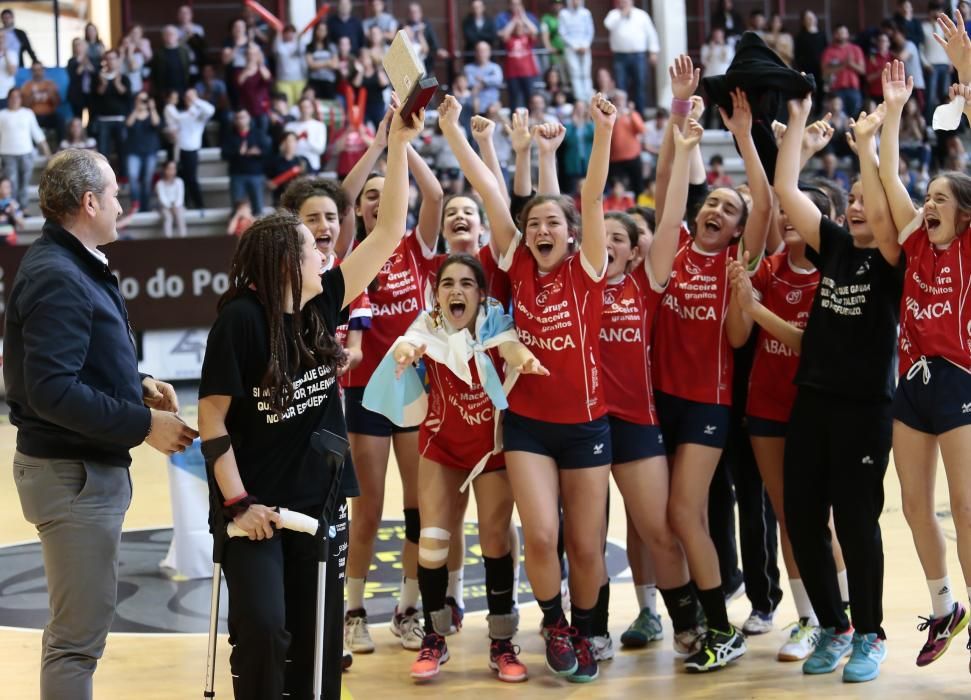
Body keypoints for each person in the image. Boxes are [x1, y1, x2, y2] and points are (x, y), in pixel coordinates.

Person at [198, 101, 420, 700]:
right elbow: (212, 417)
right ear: (281, 264)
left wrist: (397, 144)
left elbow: (390, 230)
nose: (325, 249)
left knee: (319, 642)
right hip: (253, 506)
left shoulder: (327, 302)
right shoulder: (240, 322)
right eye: (310, 246)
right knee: (267, 629)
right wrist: (238, 503)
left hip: (319, 499)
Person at [7, 148, 197, 700]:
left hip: (81, 470)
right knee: (75, 642)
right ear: (89, 202)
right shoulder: (58, 275)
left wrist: (135, 383)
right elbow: (50, 391)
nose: (121, 203)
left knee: (79, 635)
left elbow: (75, 361)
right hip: (72, 474)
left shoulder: (70, 263)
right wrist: (143, 424)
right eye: (114, 193)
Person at [439, 90, 616, 683]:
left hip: (587, 425)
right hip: (528, 426)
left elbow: (591, 198)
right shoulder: (516, 266)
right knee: (540, 535)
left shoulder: (587, 268)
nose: (542, 229)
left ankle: (590, 627)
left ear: (569, 234)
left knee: (587, 547)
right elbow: (489, 191)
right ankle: (555, 621)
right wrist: (455, 130)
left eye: (552, 223)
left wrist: (603, 132)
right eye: (534, 222)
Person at [363, 254, 543, 682]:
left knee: (495, 540)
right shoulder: (429, 325)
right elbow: (407, 342)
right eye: (447, 284)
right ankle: (435, 638)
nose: (456, 291)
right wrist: (404, 354)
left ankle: (501, 642)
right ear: (437, 292)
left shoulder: (495, 321)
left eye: (466, 283)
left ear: (481, 294)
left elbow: (512, 345)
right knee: (432, 540)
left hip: (491, 451)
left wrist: (523, 360)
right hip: (441, 445)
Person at [775, 84, 902, 682]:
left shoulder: (896, 259)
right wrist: (797, 119)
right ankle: (834, 625)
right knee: (801, 519)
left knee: (856, 522)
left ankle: (871, 633)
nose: (854, 208)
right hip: (814, 401)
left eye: (861, 199)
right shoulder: (836, 248)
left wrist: (868, 149)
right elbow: (785, 192)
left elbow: (883, 210)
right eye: (847, 199)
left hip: (866, 409)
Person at [650, 56, 771, 672]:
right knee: (663, 518)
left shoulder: (734, 270)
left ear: (739, 231)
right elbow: (671, 178)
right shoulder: (669, 248)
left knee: (682, 512)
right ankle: (692, 618)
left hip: (707, 405)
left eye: (730, 210)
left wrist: (746, 141)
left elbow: (767, 210)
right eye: (714, 203)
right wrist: (679, 111)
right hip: (656, 403)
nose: (717, 210)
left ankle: (720, 624)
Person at [341, 101, 446, 655]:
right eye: (370, 195)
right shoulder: (348, 254)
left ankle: (409, 607)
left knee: (418, 505)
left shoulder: (414, 248)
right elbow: (339, 196)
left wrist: (406, 142)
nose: (379, 199)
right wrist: (379, 144)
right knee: (370, 505)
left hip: (413, 387)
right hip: (364, 392)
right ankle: (352, 610)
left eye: (387, 192)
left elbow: (433, 197)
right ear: (358, 209)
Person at [878, 59, 971, 671]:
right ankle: (944, 608)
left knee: (965, 506)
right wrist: (889, 116)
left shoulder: (967, 244)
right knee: (915, 505)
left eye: (940, 198)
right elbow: (890, 178)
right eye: (927, 197)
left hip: (960, 380)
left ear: (964, 213)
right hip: (910, 385)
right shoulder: (916, 243)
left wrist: (966, 70)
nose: (928, 203)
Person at [0, 88, 50, 215]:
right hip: (8, 153)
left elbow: (37, 133)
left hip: (26, 153)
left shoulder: (28, 113)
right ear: (8, 99)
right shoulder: (2, 114)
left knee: (24, 182)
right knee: (12, 183)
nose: (14, 99)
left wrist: (47, 153)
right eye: (12, 97)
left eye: (17, 97)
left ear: (21, 99)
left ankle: (24, 208)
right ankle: (13, 210)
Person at [603, 0, 659, 113]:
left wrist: (653, 51)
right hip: (620, 57)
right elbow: (608, 25)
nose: (624, 2)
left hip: (638, 56)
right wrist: (621, 15)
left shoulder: (641, 15)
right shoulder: (614, 14)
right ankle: (621, 115)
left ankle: (639, 115)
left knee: (640, 85)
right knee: (620, 88)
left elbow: (651, 34)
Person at [165, 88, 215, 209]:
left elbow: (210, 110)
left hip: (191, 150)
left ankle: (199, 205)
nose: (189, 99)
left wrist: (195, 100)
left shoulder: (199, 115)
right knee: (180, 179)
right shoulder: (181, 114)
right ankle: (183, 204)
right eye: (187, 97)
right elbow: (172, 127)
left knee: (191, 179)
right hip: (178, 150)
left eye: (191, 96)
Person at [91, 49, 132, 178]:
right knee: (103, 153)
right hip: (103, 120)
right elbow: (94, 98)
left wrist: (117, 83)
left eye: (113, 58)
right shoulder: (98, 77)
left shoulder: (124, 77)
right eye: (107, 58)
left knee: (123, 151)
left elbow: (128, 96)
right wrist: (103, 84)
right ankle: (104, 179)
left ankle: (124, 178)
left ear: (118, 61)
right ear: (104, 61)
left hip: (120, 120)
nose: (110, 61)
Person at [222, 109, 269, 214]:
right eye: (238, 118)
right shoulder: (229, 136)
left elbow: (267, 151)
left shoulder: (258, 134)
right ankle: (238, 229)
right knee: (237, 207)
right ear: (234, 120)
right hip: (237, 175)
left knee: (258, 207)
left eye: (243, 117)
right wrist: (238, 152)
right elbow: (224, 155)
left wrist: (258, 152)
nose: (240, 120)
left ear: (249, 119)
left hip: (256, 174)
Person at [124, 91, 161, 212]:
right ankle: (135, 205)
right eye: (140, 99)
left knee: (147, 180)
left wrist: (152, 108)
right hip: (133, 151)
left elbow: (157, 123)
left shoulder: (152, 113)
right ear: (135, 100)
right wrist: (136, 109)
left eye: (145, 100)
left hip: (150, 152)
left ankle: (145, 207)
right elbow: (128, 124)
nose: (142, 102)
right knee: (133, 178)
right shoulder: (131, 112)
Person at [822, 25, 865, 120]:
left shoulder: (855, 49)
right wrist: (843, 65)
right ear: (835, 35)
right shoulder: (829, 51)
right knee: (839, 117)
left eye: (844, 32)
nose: (841, 35)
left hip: (853, 89)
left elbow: (862, 70)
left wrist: (851, 64)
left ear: (848, 34)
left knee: (855, 116)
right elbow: (825, 71)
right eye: (839, 33)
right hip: (837, 90)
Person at [558, 0, 594, 103]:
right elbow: (562, 33)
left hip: (585, 47)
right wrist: (575, 46)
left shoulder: (586, 13)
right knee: (575, 72)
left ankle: (589, 98)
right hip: (571, 48)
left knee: (586, 72)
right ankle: (580, 98)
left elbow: (590, 31)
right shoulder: (563, 14)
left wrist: (585, 45)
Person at [22, 61, 64, 142]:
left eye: (39, 69)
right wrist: (31, 97)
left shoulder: (51, 84)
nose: (37, 72)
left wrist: (51, 94)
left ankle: (61, 146)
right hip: (33, 117)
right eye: (35, 70)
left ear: (43, 71)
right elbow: (23, 106)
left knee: (60, 119)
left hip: (49, 115)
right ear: (31, 72)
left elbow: (58, 103)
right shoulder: (26, 86)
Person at [285, 97, 327, 173]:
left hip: (312, 166)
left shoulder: (319, 126)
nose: (305, 110)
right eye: (302, 107)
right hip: (292, 166)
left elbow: (321, 149)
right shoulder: (289, 126)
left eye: (307, 107)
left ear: (313, 109)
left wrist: (308, 139)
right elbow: (283, 147)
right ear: (298, 109)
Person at [464, 42, 504, 114]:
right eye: (479, 51)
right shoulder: (468, 68)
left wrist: (483, 80)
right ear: (475, 53)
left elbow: (498, 80)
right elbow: (470, 83)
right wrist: (489, 80)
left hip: (492, 103)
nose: (481, 53)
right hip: (473, 102)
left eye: (484, 51)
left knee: (494, 108)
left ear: (489, 52)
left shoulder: (495, 67)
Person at [273, 24, 307, 107]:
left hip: (299, 80)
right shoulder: (280, 46)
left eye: (292, 32)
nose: (290, 34)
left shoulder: (299, 44)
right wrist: (278, 33)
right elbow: (275, 48)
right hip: (283, 81)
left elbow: (301, 50)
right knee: (287, 105)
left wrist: (299, 38)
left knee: (300, 104)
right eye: (287, 32)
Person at [156, 158, 187, 237]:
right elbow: (162, 198)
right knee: (168, 219)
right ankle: (168, 240)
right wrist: (170, 206)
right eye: (169, 169)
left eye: (173, 169)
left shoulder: (179, 182)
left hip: (178, 206)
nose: (171, 171)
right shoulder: (160, 184)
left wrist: (175, 206)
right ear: (164, 170)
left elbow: (180, 197)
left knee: (180, 218)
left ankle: (183, 239)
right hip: (165, 207)